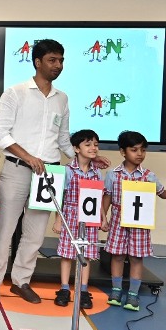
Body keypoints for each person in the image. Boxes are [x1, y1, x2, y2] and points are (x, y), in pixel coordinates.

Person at [0, 39, 106, 305]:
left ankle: (21, 281)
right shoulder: (15, 92)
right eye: (52, 60)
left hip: (49, 174)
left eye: (61, 60)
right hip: (17, 168)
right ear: (37, 62)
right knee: (5, 228)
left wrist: (86, 156)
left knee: (36, 233)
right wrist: (28, 156)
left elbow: (63, 139)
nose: (58, 65)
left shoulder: (62, 99)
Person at [102, 130, 166, 311]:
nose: (139, 154)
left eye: (143, 150)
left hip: (139, 223)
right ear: (122, 152)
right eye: (134, 150)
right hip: (118, 222)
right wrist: (103, 218)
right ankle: (116, 290)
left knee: (136, 257)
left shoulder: (149, 176)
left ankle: (133, 294)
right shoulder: (112, 174)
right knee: (117, 256)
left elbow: (163, 193)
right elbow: (106, 196)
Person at [52, 129, 103, 310]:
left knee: (86, 254)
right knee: (67, 254)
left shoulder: (97, 173)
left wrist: (103, 218)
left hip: (89, 218)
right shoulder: (68, 170)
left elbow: (98, 197)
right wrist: (58, 219)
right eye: (88, 144)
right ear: (76, 148)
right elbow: (60, 196)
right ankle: (64, 288)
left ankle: (83, 289)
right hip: (71, 215)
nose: (93, 148)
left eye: (95, 145)